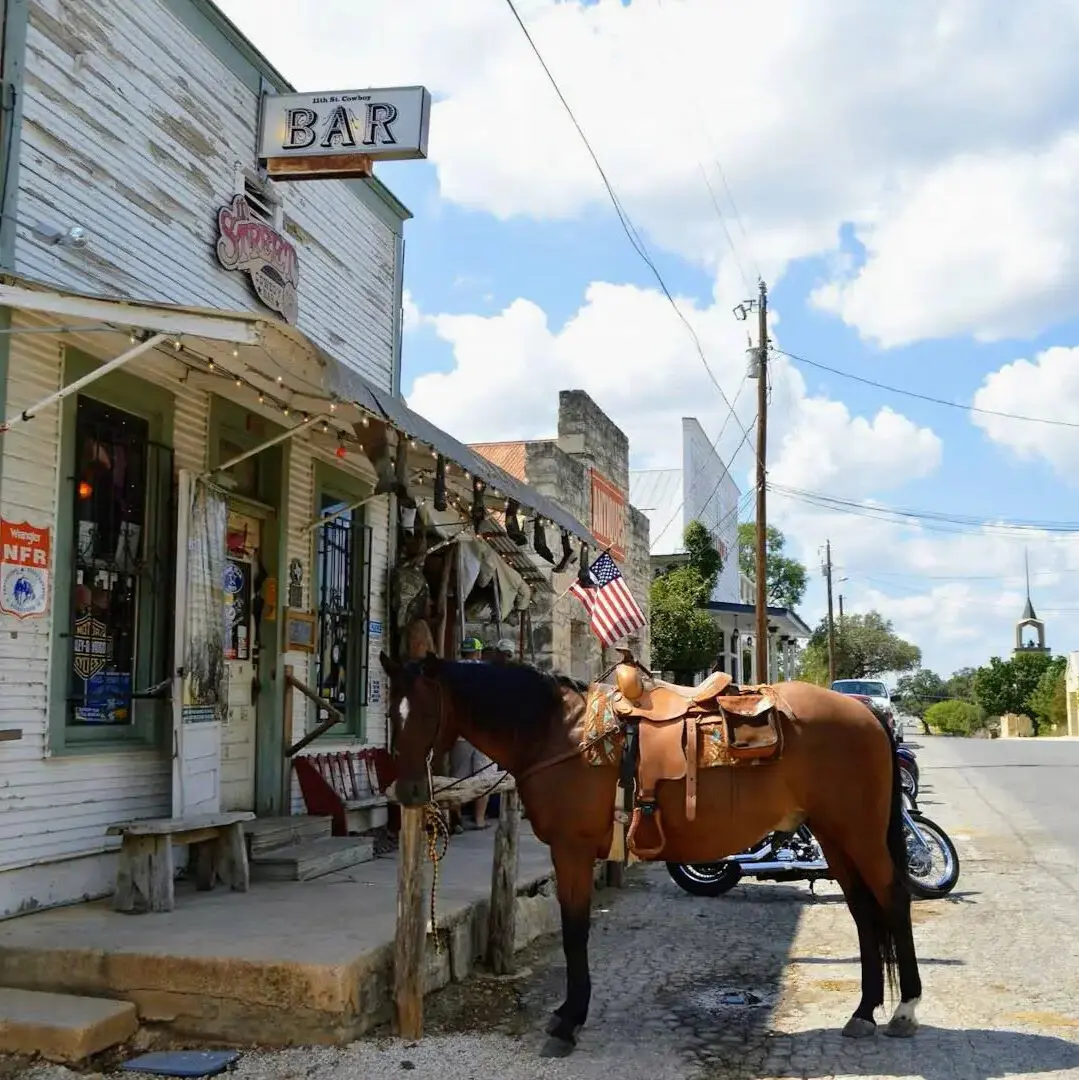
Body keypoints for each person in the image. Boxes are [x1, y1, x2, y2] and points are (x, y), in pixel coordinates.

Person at [449, 637, 495, 831]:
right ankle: (479, 819)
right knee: (485, 777)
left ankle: (456, 820)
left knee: (457, 779)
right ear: (478, 652)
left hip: (460, 735)